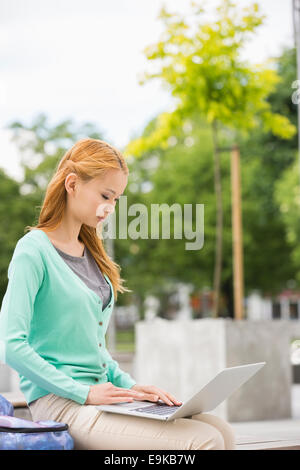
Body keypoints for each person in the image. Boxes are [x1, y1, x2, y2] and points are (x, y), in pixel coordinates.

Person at [0, 138, 236, 450]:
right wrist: (83, 393)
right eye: (105, 195)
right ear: (72, 184)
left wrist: (135, 388)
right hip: (61, 404)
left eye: (116, 199)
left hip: (102, 396)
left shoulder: (93, 256)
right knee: (202, 440)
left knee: (221, 430)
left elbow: (95, 353)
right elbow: (11, 345)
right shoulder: (34, 251)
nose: (110, 208)